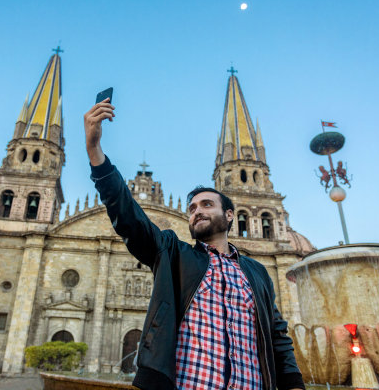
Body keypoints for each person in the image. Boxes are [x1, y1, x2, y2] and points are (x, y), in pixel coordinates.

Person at [84, 99, 305, 390]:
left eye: (206, 204)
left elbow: (277, 335)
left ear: (229, 215)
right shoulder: (174, 255)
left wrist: (294, 384)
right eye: (192, 208)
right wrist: (95, 152)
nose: (197, 210)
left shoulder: (257, 272)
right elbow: (129, 217)